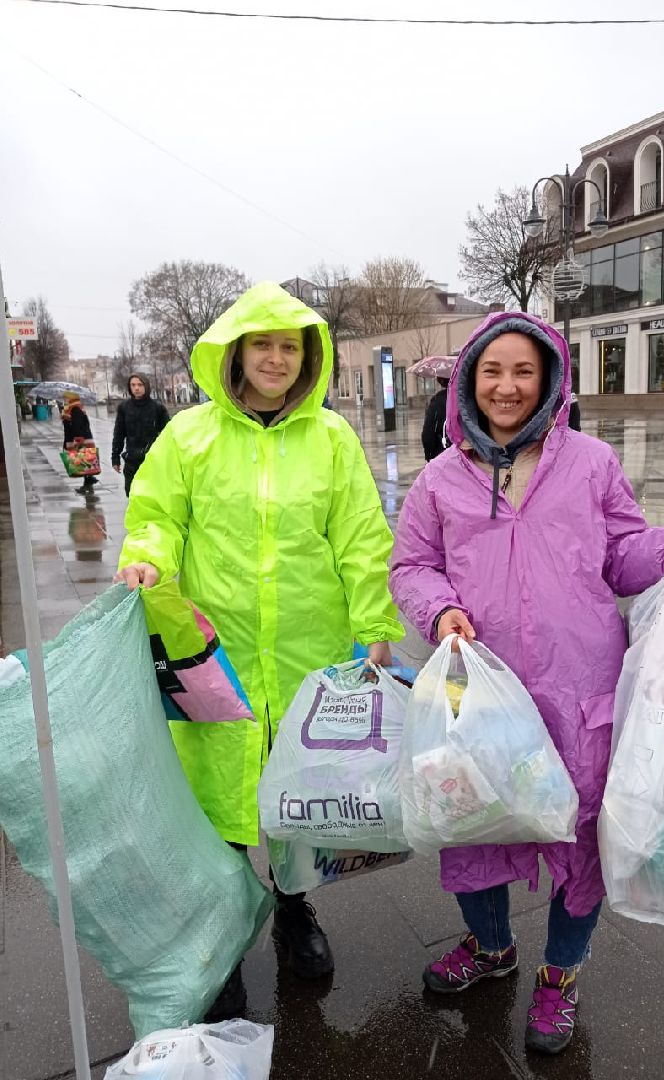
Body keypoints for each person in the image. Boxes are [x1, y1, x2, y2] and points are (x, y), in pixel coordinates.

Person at [389, 311, 664, 1056]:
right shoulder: (439, 479)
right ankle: (492, 947)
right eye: (491, 370)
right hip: (480, 693)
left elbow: (623, 553)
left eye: (522, 371)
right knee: (469, 827)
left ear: (550, 381)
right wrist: (439, 612)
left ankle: (560, 974)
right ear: (469, 378)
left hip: (578, 689)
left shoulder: (591, 463)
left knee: (580, 838)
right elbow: (410, 566)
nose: (506, 386)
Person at [114, 281, 404, 1016]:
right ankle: (223, 926)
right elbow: (156, 515)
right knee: (218, 791)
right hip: (217, 654)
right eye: (262, 344)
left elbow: (361, 538)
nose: (275, 359)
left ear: (307, 360)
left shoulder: (331, 439)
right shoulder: (189, 437)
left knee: (300, 791)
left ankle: (296, 908)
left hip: (309, 652)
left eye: (288, 347)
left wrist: (376, 626)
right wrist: (147, 556)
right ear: (234, 353)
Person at [111, 373, 170, 496]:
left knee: (153, 496)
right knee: (132, 494)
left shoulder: (157, 408)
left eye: (140, 385)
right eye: (133, 385)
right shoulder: (124, 408)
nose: (136, 388)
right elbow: (119, 434)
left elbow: (168, 433)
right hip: (131, 460)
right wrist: (115, 457)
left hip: (152, 460)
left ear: (146, 386)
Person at [61, 391, 98, 492]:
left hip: (81, 440)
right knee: (85, 462)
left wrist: (78, 440)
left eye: (66, 397)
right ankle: (89, 480)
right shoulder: (72, 408)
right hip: (82, 438)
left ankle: (87, 483)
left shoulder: (75, 409)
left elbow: (77, 425)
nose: (64, 399)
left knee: (83, 462)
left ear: (71, 397)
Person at [421, 377, 451, 461]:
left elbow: (427, 435)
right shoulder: (469, 398)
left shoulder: (437, 401)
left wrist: (429, 456)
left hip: (443, 455)